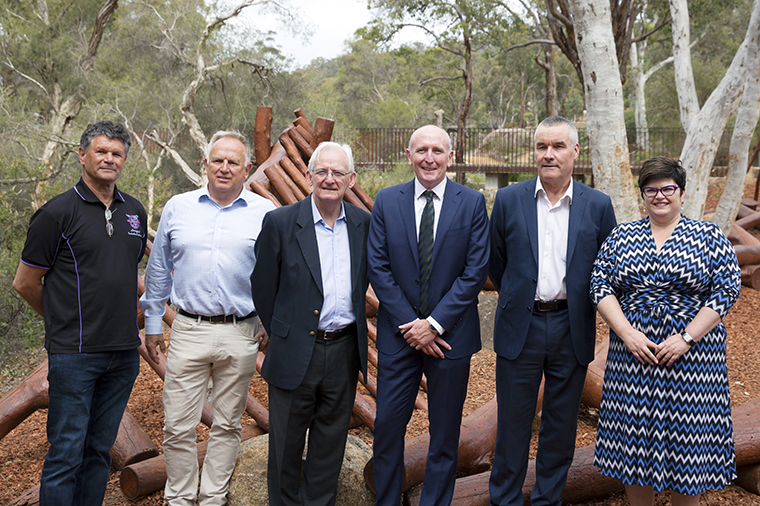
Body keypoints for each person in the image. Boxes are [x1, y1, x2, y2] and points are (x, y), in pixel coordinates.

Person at [590, 157, 740, 506]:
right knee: (635, 440)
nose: (660, 196)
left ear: (682, 193)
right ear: (643, 194)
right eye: (651, 189)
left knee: (686, 442)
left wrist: (687, 337)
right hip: (634, 355)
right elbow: (599, 285)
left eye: (667, 188)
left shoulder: (707, 235)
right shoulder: (622, 236)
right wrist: (627, 333)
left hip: (693, 357)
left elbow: (727, 289)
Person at [12, 120, 147, 506]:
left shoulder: (134, 211)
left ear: (124, 160)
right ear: (82, 155)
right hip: (74, 355)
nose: (109, 158)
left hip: (123, 355)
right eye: (101, 151)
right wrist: (62, 321)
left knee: (98, 451)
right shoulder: (56, 213)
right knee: (66, 453)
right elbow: (25, 283)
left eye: (116, 153)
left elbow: (124, 272)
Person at [141, 131, 275, 506]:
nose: (224, 167)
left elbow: (275, 271)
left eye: (233, 162)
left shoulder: (263, 214)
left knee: (228, 424)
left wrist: (267, 320)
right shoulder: (178, 207)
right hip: (188, 329)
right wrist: (153, 323)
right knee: (178, 425)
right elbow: (157, 271)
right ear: (205, 164)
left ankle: (213, 497)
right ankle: (182, 499)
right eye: (218, 160)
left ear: (246, 168)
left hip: (241, 331)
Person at [488, 115, 617, 506]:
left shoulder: (597, 205)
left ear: (575, 151)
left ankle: (547, 500)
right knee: (512, 424)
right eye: (542, 146)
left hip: (571, 326)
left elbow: (607, 266)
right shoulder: (509, 199)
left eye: (558, 146)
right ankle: (505, 500)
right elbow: (497, 263)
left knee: (560, 426)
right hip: (520, 326)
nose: (549, 154)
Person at [368, 124, 490, 506]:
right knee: (387, 428)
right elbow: (378, 267)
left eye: (438, 150)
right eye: (421, 150)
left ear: (450, 157)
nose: (429, 158)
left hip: (451, 336)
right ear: (409, 155)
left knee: (444, 433)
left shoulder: (471, 202)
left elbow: (475, 271)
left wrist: (434, 325)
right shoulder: (387, 201)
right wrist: (413, 328)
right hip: (398, 336)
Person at [251, 141, 370, 506]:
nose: (329, 179)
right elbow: (262, 287)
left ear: (351, 179)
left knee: (329, 445)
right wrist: (285, 331)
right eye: (322, 171)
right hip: (294, 350)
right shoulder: (280, 222)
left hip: (345, 350)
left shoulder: (365, 224)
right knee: (285, 444)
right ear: (308, 176)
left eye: (338, 173)